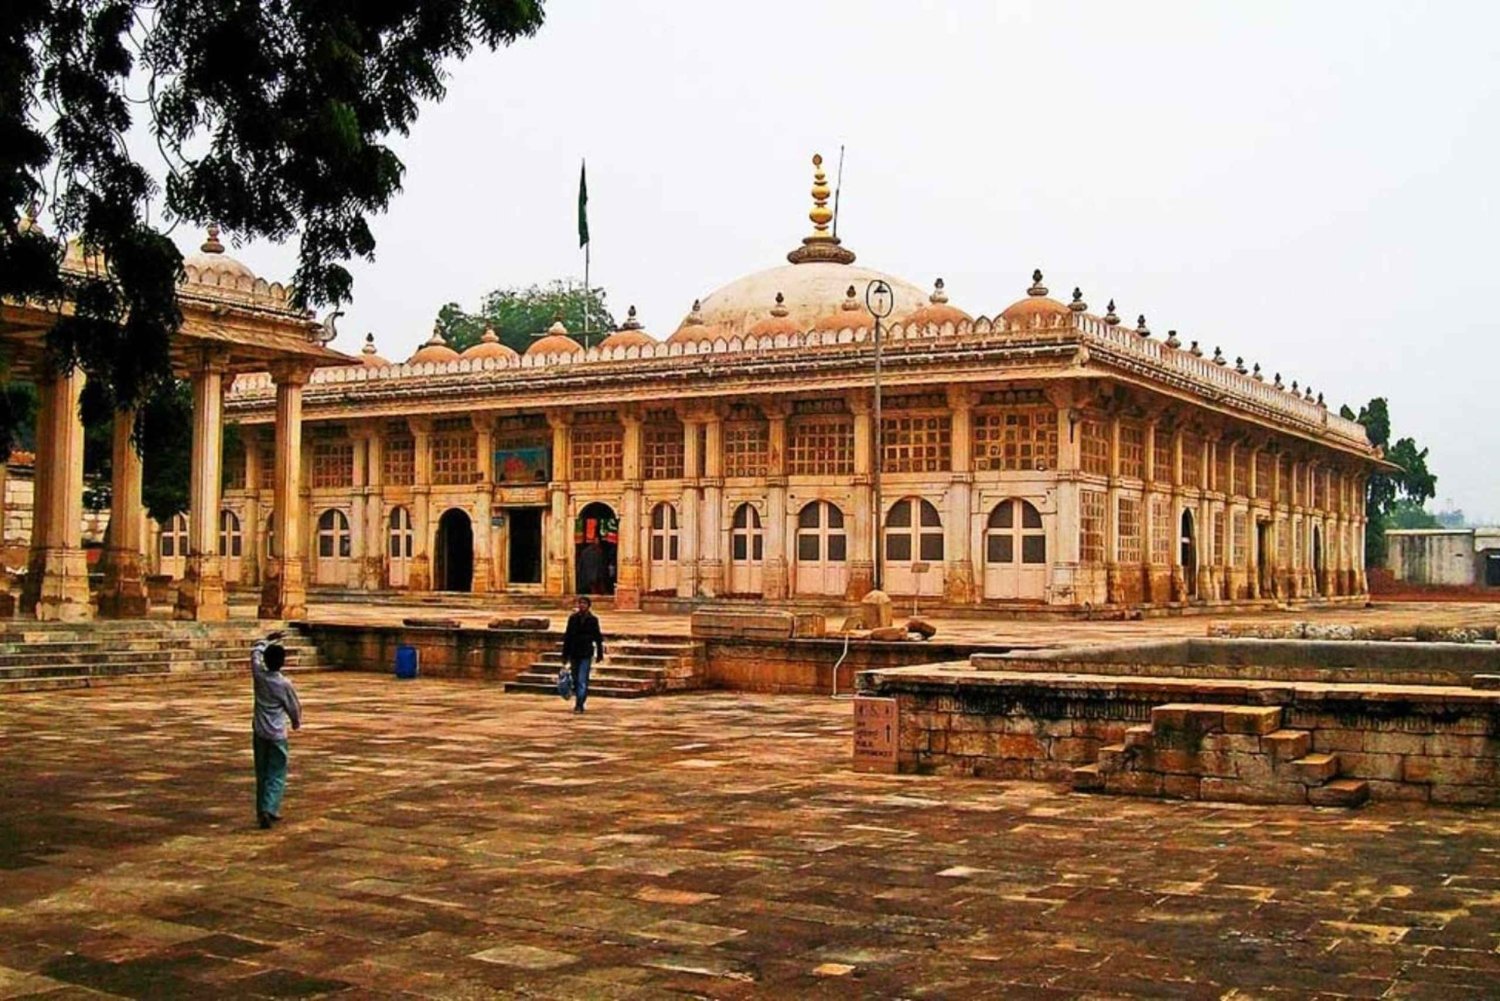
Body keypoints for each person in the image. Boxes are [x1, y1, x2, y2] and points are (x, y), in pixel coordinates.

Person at [251, 630, 302, 829]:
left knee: (262, 771)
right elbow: (293, 706)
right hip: (277, 733)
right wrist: (296, 722)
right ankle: (269, 807)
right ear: (282, 663)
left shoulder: (259, 676)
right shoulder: (284, 683)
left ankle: (261, 808)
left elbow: (255, 653)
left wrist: (266, 640)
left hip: (260, 731)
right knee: (277, 772)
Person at [561, 596, 606, 713]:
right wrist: (565, 655)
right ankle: (580, 699)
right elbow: (568, 637)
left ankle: (579, 704)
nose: (582, 605)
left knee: (582, 679)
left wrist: (600, 653)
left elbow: (597, 637)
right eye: (580, 603)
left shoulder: (593, 620)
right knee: (576, 679)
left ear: (588, 606)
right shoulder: (573, 619)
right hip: (574, 652)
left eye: (584, 603)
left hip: (586, 652)